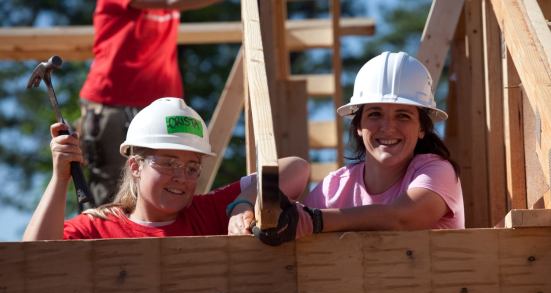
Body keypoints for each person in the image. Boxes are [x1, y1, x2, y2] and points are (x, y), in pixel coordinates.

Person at [252, 51, 465, 246]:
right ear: (358, 127)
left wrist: (314, 220)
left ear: (421, 129)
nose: (388, 127)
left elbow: (402, 218)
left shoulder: (438, 171)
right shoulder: (334, 188)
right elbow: (294, 224)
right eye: (375, 114)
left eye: (403, 115)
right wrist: (244, 208)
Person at [23, 97, 309, 241]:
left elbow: (297, 169)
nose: (181, 177)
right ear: (135, 166)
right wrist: (60, 180)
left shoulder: (207, 212)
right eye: (169, 163)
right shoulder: (99, 228)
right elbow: (36, 256)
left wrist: (243, 203)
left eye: (192, 167)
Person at [79, 0, 222, 206]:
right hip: (113, 104)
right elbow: (172, 2)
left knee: (171, 187)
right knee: (111, 196)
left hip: (161, 109)